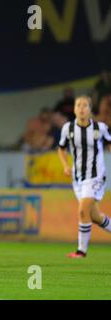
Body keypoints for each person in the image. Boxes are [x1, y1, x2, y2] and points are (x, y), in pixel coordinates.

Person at [58, 96, 111, 258]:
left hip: (96, 176)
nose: (81, 108)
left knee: (82, 211)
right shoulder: (68, 129)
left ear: (90, 110)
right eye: (78, 105)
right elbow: (61, 148)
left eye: (85, 105)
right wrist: (66, 166)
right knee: (94, 216)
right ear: (74, 109)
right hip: (78, 178)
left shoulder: (99, 128)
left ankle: (81, 251)